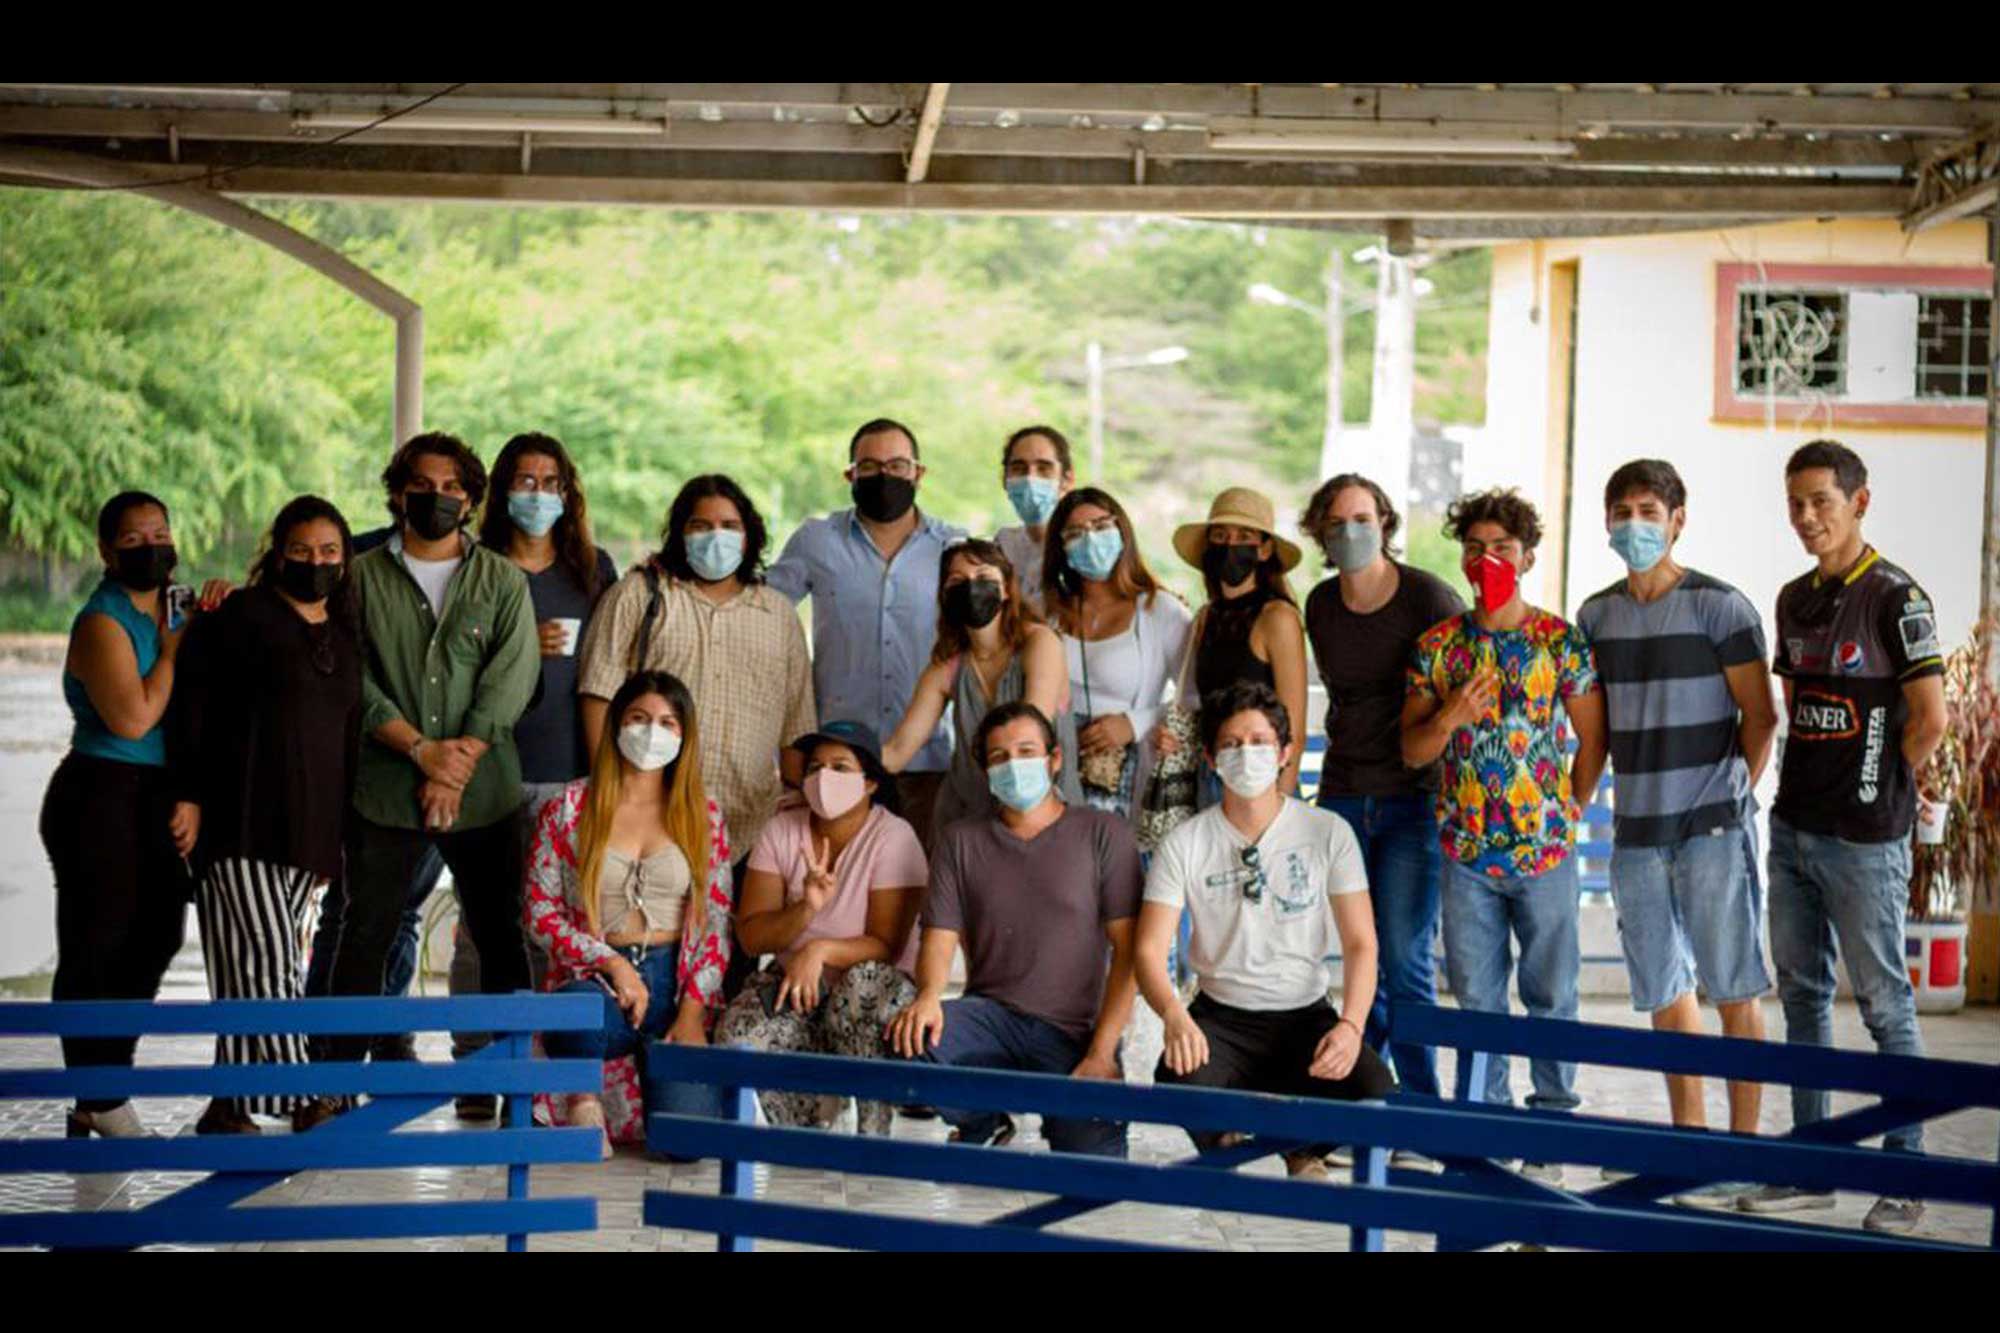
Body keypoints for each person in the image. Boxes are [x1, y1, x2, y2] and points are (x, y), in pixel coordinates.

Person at [1736, 441, 1946, 1234]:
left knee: (1886, 1004)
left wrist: (1874, 786)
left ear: (1860, 502)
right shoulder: (1793, 598)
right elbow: (1799, 709)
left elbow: (1930, 720)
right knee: (1802, 999)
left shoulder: (1897, 597)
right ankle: (1811, 1169)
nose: (1806, 516)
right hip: (1793, 826)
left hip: (1864, 840)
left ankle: (1905, 1177)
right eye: (1795, 502)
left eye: (1821, 500)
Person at [302, 432, 539, 1122]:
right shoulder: (359, 576)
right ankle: (333, 1085)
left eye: (452, 487)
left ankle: (515, 1086)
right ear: (397, 493)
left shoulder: (502, 581)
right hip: (384, 788)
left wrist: (455, 762)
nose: (438, 498)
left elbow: (513, 676)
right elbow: (350, 673)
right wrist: (419, 751)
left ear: (472, 499)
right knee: (364, 932)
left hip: (485, 791)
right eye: (422, 485)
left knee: (500, 937)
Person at [1575, 460, 1776, 1201]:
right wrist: (1571, 809)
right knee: (1665, 988)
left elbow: (1762, 717)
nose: (1634, 524)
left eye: (1649, 510)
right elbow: (1594, 733)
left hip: (1711, 831)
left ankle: (1744, 1153)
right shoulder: (1595, 617)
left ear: (1678, 520)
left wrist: (1728, 799)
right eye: (1621, 511)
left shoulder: (1722, 607)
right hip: (1635, 831)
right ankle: (1690, 1145)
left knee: (1734, 985)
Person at [1401, 488, 1606, 1179]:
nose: (1487, 560)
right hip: (1465, 853)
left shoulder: (1561, 642)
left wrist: (1570, 810)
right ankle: (1487, 1130)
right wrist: (1451, 715)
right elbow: (1412, 751)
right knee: (1478, 1000)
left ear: (1527, 558)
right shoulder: (1438, 648)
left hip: (1544, 852)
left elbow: (1593, 738)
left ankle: (1551, 1130)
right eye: (1475, 548)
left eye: (1502, 549)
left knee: (1553, 995)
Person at [420, 432, 620, 1117]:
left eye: (551, 482)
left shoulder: (593, 571)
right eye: (525, 481)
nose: (538, 494)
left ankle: (538, 1071)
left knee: (554, 926)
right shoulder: (473, 567)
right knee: (483, 924)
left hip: (569, 773)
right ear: (502, 490)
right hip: (490, 772)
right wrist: (519, 646)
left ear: (568, 493)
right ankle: (477, 1065)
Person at [1137, 683, 1394, 1178]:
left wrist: (1351, 1027)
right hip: (1221, 1019)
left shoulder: (1328, 833)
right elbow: (1148, 950)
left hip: (1305, 1015)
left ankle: (1302, 1148)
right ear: (1210, 758)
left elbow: (1361, 943)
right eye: (1231, 744)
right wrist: (1173, 1015)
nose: (1246, 754)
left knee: (1374, 1092)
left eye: (1259, 742)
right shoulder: (1185, 842)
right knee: (1176, 1076)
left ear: (1285, 752)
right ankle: (1228, 1142)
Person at [168, 496, 362, 1135]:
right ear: (278, 554)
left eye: (329, 551)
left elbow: (346, 737)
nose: (315, 562)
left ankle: (228, 1104)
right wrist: (187, 794)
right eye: (301, 550)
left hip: (310, 831)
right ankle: (302, 1094)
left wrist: (340, 838)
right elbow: (193, 704)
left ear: (345, 558)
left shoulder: (344, 634)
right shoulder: (240, 615)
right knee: (271, 959)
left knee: (245, 966)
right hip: (240, 820)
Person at [41, 492, 226, 1139]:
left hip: (156, 792)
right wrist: (172, 651)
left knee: (157, 934)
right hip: (99, 791)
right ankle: (98, 1092)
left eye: (160, 533)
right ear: (105, 550)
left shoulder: (178, 607)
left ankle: (102, 1086)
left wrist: (216, 609)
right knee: (97, 945)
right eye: (132, 538)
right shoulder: (103, 622)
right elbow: (134, 717)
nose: (151, 546)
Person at [888, 701, 1142, 1157]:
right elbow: (939, 940)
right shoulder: (960, 841)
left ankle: (1068, 1120)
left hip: (1074, 1032)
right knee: (907, 1039)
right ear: (986, 770)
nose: (1014, 766)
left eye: (1026, 752)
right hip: (991, 1019)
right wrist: (927, 996)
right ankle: (982, 1120)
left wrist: (1102, 1052)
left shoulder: (1104, 834)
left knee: (1094, 1167)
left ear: (1054, 758)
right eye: (999, 757)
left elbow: (1129, 954)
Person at [1299, 473, 1465, 1098]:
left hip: (1413, 798)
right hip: (1343, 792)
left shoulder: (1428, 599)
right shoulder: (1320, 604)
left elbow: (1460, 691)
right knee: (1356, 953)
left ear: (1386, 524)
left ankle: (1419, 1104)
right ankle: (1368, 1093)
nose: (1350, 532)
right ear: (1320, 533)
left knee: (1404, 958)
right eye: (1336, 523)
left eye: (1362, 520)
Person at [523, 671, 736, 1158]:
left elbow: (716, 924)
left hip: (673, 986)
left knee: (685, 1145)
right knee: (571, 1010)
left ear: (684, 735)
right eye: (639, 718)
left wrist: (692, 1013)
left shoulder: (705, 815)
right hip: (598, 980)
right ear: (617, 724)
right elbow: (540, 911)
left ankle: (656, 1082)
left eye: (667, 722)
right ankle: (583, 1100)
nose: (651, 732)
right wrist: (611, 963)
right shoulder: (568, 807)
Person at [577, 474, 814, 886]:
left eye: (729, 526)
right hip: (651, 820)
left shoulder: (779, 615)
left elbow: (797, 721)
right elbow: (598, 693)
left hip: (751, 825)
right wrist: (610, 791)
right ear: (680, 534)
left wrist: (797, 803)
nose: (715, 537)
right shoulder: (639, 595)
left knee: (740, 931)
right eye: (700, 526)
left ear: (749, 536)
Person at [766, 419, 969, 852]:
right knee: (831, 879)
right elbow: (759, 609)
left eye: (897, 466)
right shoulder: (817, 541)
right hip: (837, 764)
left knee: (916, 881)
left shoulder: (952, 548)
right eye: (870, 467)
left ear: (918, 472)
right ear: (850, 475)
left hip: (926, 763)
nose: (884, 476)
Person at [716, 720, 926, 1135]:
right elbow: (752, 936)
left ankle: (872, 1136)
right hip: (799, 987)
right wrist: (806, 909)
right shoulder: (781, 829)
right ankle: (806, 1131)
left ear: (870, 783)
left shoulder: (894, 836)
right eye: (815, 767)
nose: (824, 777)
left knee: (862, 986)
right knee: (739, 1032)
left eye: (840, 767)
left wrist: (818, 950)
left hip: (870, 991)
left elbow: (886, 945)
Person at [880, 538, 1082, 830]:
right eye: (957, 580)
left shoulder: (1039, 642)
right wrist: (841, 766)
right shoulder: (945, 667)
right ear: (945, 595)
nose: (971, 587)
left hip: (1045, 813)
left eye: (983, 577)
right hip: (969, 816)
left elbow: (1030, 728)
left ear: (1006, 589)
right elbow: (898, 750)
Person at [1044, 486, 1193, 822]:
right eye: (1075, 532)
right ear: (1061, 548)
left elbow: (1195, 698)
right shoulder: (1050, 613)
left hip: (1133, 774)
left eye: (1100, 526)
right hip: (1061, 768)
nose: (1090, 539)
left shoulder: (1160, 609)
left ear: (1122, 531)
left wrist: (1135, 724)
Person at [1166, 487, 1310, 801]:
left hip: (1264, 777)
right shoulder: (1205, 617)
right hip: (1212, 774)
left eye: (1244, 536)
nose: (1231, 545)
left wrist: (1281, 808)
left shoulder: (1277, 618)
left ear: (1264, 549)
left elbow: (1294, 730)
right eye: (1221, 536)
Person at [994, 425, 1075, 618]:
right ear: (1005, 480)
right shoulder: (1003, 545)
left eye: (1044, 468)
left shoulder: (1082, 547)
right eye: (1019, 468)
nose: (1030, 478)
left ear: (1067, 480)